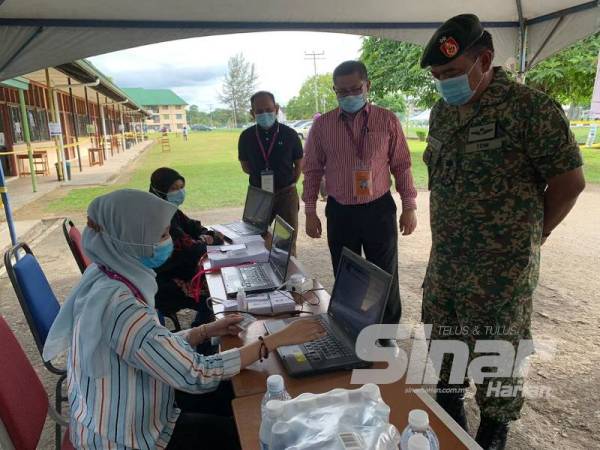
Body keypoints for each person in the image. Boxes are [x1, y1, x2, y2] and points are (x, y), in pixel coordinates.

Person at [43, 189, 326, 450]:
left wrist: (204, 330)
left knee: (237, 396)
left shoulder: (107, 278)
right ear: (130, 238)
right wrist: (276, 339)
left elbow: (150, 345)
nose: (168, 242)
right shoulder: (121, 306)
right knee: (252, 432)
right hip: (132, 438)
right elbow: (197, 374)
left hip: (136, 408)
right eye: (162, 235)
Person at [420, 14, 585, 450]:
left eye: (452, 73)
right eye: (438, 76)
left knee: (496, 381)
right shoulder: (442, 112)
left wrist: (532, 238)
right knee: (446, 371)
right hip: (446, 274)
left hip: (499, 280)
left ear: (486, 59)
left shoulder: (529, 110)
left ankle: (492, 440)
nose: (444, 83)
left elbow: (570, 183)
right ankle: (449, 436)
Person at [302, 60, 417, 326]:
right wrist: (310, 212)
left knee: (385, 275)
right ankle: (350, 330)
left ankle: (386, 337)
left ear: (368, 86)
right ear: (334, 91)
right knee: (346, 275)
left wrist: (409, 206)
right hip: (341, 211)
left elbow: (401, 164)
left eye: (355, 89)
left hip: (378, 208)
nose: (349, 95)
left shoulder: (387, 119)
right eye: (342, 91)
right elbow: (312, 170)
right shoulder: (323, 126)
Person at [149, 167, 221, 327]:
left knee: (215, 285)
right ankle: (202, 339)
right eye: (174, 189)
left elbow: (194, 227)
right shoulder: (159, 217)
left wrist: (204, 235)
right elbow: (193, 250)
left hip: (178, 271)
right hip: (163, 283)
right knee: (214, 298)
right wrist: (211, 240)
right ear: (159, 189)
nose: (179, 192)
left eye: (181, 187)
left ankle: (201, 332)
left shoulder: (171, 210)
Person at [238, 91, 303, 254]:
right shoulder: (246, 137)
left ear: (277, 108)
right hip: (258, 195)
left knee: (285, 242)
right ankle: (258, 276)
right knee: (254, 240)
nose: (264, 114)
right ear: (252, 113)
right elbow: (245, 167)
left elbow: (299, 165)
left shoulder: (290, 134)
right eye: (259, 111)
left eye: (268, 109)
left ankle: (286, 277)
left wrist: (287, 183)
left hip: (286, 194)